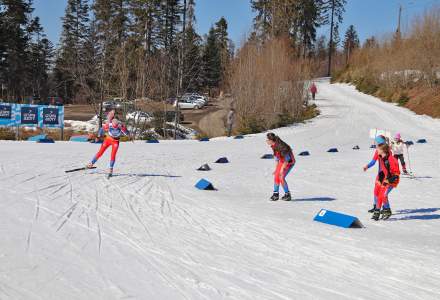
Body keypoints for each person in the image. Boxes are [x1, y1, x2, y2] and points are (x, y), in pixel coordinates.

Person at [363, 136, 400, 220]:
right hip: (382, 175)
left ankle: (385, 209)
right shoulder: (380, 153)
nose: (376, 149)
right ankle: (378, 208)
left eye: (377, 144)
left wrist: (389, 179)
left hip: (391, 178)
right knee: (377, 192)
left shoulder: (389, 156)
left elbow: (396, 172)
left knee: (382, 194)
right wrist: (367, 166)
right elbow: (374, 162)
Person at [87, 110, 129, 176]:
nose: (114, 126)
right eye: (113, 124)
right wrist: (98, 136)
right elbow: (102, 129)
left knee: (113, 155)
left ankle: (111, 168)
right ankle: (91, 163)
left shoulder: (120, 126)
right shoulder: (109, 125)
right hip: (108, 140)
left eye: (116, 125)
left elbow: (127, 133)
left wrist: (125, 131)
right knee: (100, 152)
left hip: (115, 142)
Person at [266, 133, 296, 201]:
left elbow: (287, 159)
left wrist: (282, 169)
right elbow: (277, 157)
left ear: (271, 140)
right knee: (276, 175)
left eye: (267, 140)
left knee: (281, 177)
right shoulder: (273, 145)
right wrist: (276, 169)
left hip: (289, 162)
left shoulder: (281, 146)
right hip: (282, 161)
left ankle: (287, 195)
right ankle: (275, 194)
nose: (266, 141)